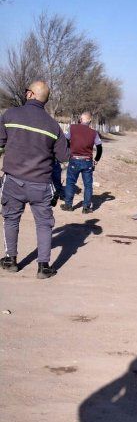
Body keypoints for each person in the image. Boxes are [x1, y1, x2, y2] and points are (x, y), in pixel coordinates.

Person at [0, 81, 69, 279]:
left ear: (30, 94)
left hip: (13, 181)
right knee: (44, 224)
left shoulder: (10, 115)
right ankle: (43, 267)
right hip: (41, 184)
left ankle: (11, 260)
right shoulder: (53, 125)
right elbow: (64, 156)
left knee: (11, 219)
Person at [61, 112, 102, 213]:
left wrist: (68, 150)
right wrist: (96, 159)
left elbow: (65, 140)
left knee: (70, 183)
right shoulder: (94, 133)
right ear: (90, 121)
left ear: (80, 119)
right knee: (88, 185)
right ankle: (86, 208)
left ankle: (68, 205)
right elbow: (99, 147)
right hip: (87, 161)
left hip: (74, 159)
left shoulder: (72, 128)